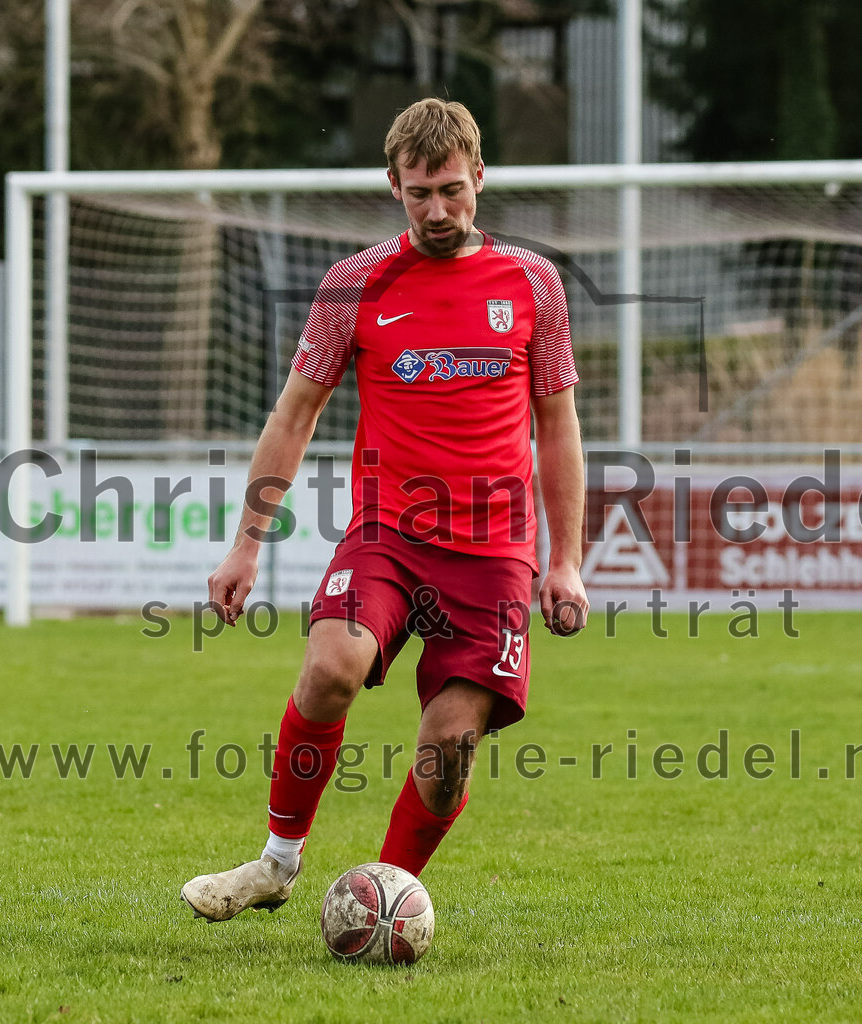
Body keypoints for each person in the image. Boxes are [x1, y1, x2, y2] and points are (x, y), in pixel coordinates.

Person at [181, 98, 588, 922]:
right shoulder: (354, 284)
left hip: (494, 552)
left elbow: (558, 424)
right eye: (417, 194)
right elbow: (294, 414)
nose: (437, 211)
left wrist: (567, 559)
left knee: (447, 750)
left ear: (480, 177)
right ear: (392, 187)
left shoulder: (533, 283)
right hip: (389, 534)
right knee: (330, 667)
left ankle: (382, 897)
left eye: (451, 190)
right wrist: (245, 547)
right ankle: (277, 862)